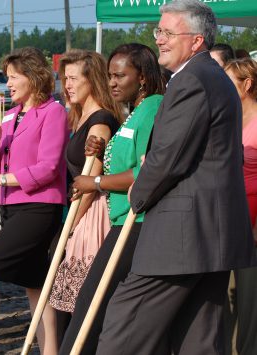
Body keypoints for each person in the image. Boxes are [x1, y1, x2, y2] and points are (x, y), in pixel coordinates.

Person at [96, 1, 255, 353]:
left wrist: (138, 192)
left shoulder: (193, 81)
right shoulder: (208, 78)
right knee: (197, 339)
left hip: (182, 235)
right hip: (208, 233)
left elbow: (168, 159)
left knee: (125, 327)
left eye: (168, 32)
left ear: (196, 40)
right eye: (159, 31)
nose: (159, 40)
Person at [57, 43, 165, 355]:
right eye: (110, 76)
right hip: (120, 220)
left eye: (120, 76)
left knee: (92, 301)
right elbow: (123, 160)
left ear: (142, 77)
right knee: (100, 306)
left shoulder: (153, 108)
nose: (113, 82)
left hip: (137, 222)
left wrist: (96, 181)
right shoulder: (133, 114)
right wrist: (101, 155)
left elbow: (146, 170)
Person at [0, 47, 69, 355]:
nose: (8, 83)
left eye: (14, 77)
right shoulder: (11, 113)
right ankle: (50, 350)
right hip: (11, 205)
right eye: (7, 77)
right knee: (35, 283)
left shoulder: (52, 111)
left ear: (33, 77)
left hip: (40, 207)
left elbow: (49, 166)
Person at [49, 49, 121, 318]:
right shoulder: (79, 118)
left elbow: (93, 181)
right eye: (65, 79)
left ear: (92, 80)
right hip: (80, 209)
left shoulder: (101, 121)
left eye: (73, 79)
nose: (67, 86)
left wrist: (72, 226)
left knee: (83, 300)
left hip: (92, 213)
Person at [225, 57, 257, 355]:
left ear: (247, 85)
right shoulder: (229, 120)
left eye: (229, 83)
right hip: (230, 226)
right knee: (228, 302)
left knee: (248, 307)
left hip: (253, 230)